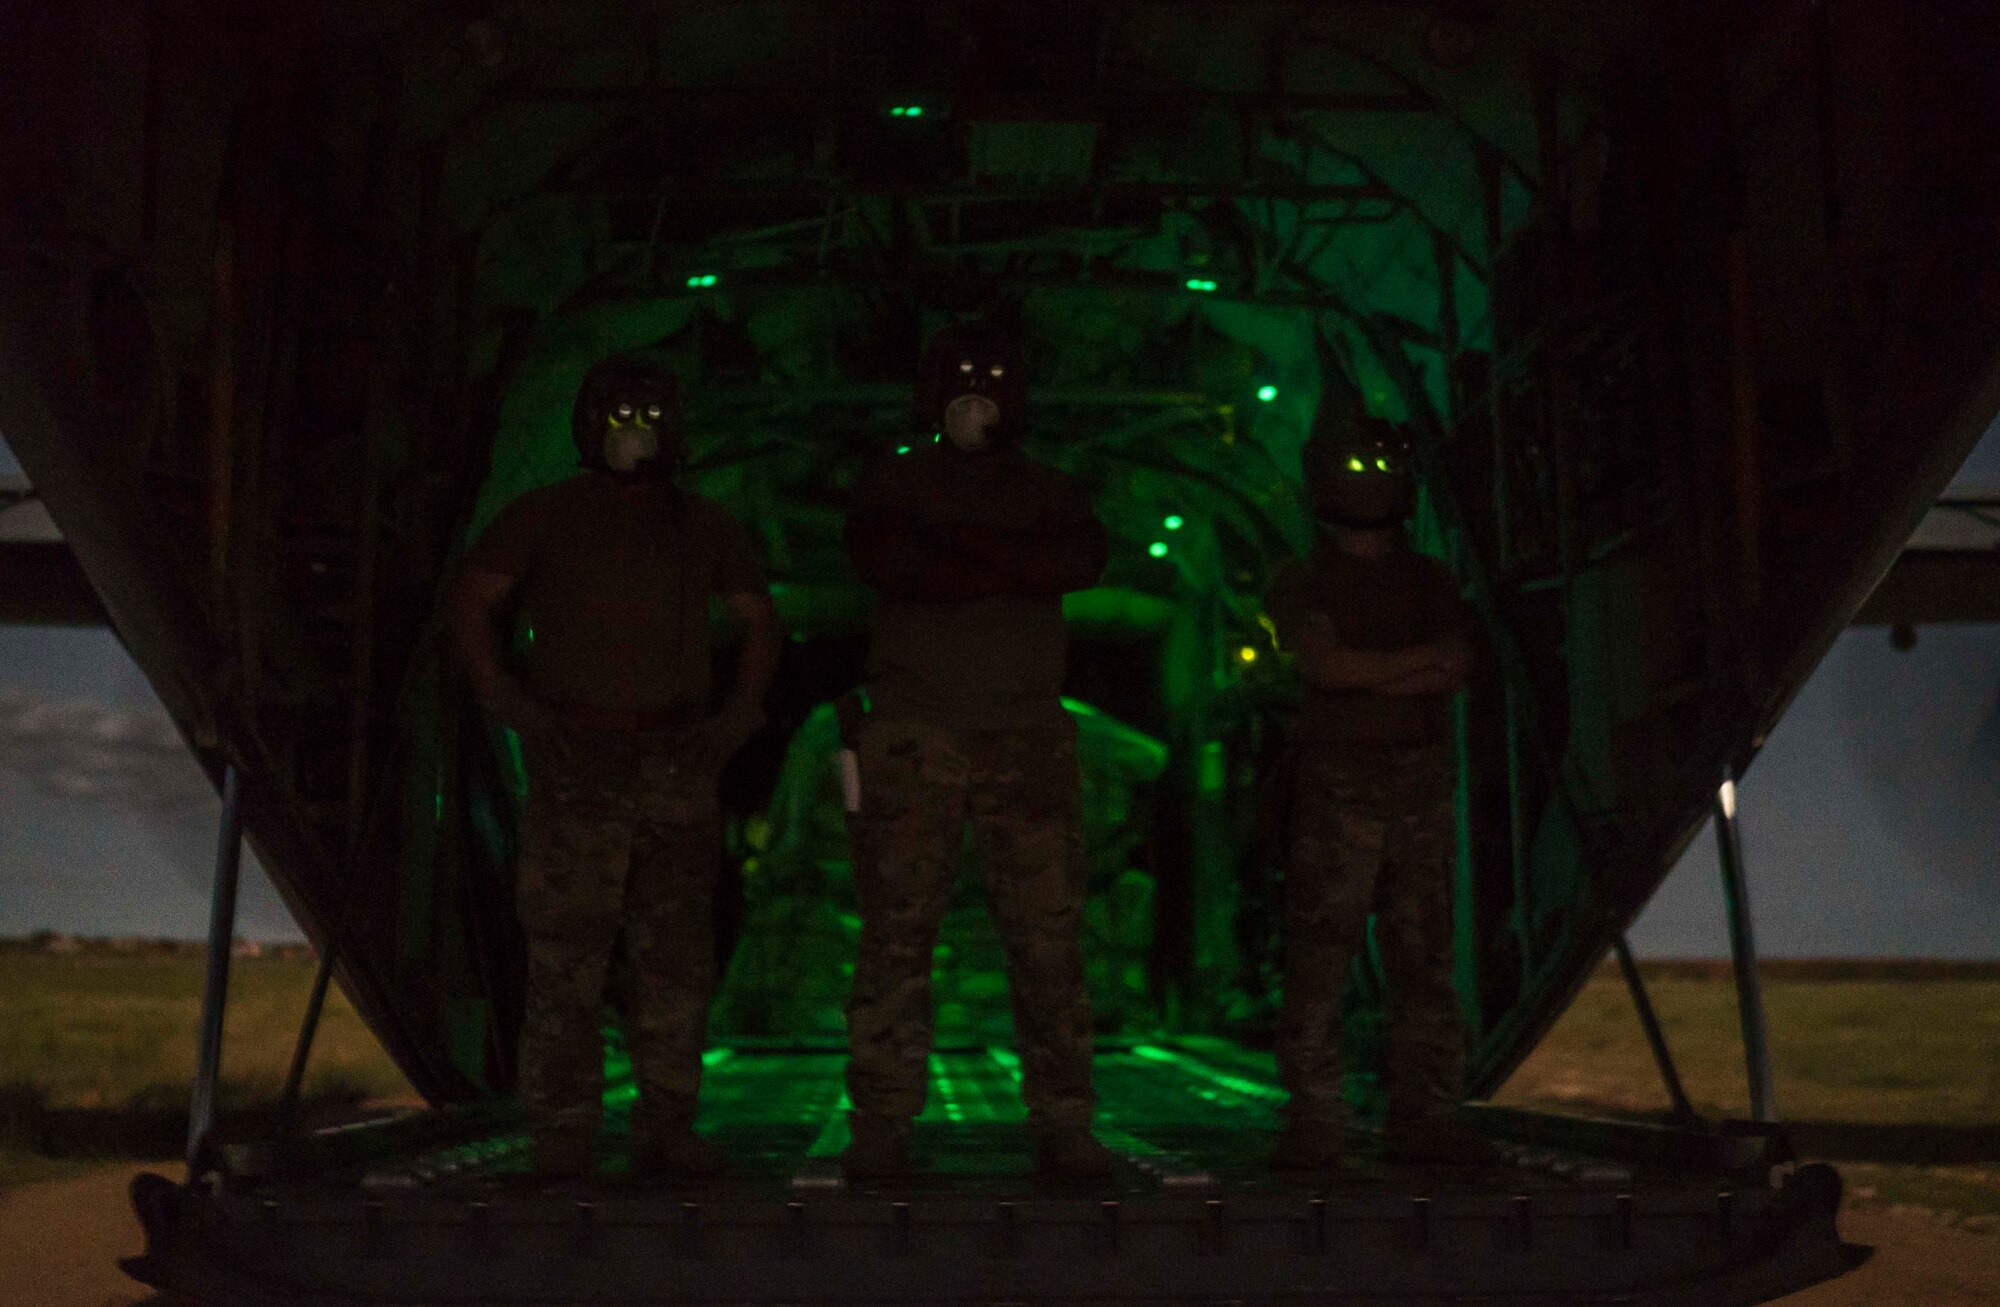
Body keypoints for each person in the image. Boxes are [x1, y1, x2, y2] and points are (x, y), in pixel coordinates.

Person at [447, 354, 780, 1181]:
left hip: (673, 757)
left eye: (651, 416)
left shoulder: (704, 527)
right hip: (578, 755)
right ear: (591, 424)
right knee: (567, 953)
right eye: (620, 415)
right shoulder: (545, 515)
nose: (636, 431)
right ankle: (563, 1132)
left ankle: (666, 1124)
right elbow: (471, 598)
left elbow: (758, 621)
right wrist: (505, 697)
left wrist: (738, 713)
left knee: (674, 955)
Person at [838, 320, 1116, 1182]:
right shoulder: (893, 482)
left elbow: (1079, 559)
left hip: (1023, 735)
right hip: (919, 733)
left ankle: (1065, 1122)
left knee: (1048, 939)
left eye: (992, 382)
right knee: (896, 933)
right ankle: (882, 1122)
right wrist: (1012, 563)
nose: (975, 394)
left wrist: (958, 543)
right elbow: (893, 563)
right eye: (959, 381)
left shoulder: (1045, 488)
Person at [1265, 413, 1496, 1168]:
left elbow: (1455, 664)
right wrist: (1413, 663)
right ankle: (1316, 1119)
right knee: (1321, 953)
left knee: (1425, 955)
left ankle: (1425, 1116)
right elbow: (1323, 668)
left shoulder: (1429, 576)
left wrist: (1368, 665)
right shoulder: (1302, 578)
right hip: (1339, 783)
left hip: (1418, 783)